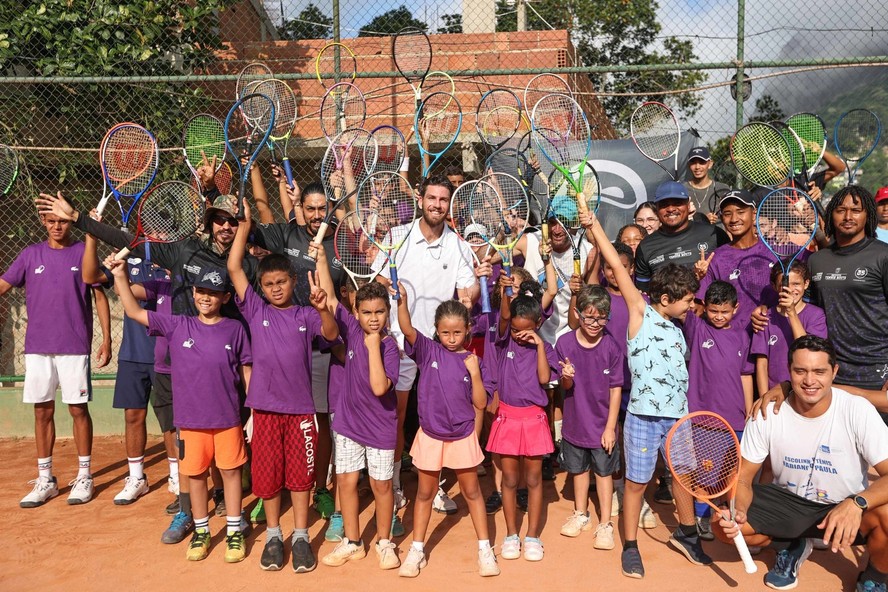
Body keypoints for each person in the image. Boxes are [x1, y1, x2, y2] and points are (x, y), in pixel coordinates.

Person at [37, 191, 259, 542]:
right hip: (179, 366)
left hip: (225, 368)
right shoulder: (183, 249)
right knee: (184, 444)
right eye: (220, 219)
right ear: (208, 220)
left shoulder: (247, 266)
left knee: (229, 447)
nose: (226, 226)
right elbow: (128, 241)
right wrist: (79, 219)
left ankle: (232, 511)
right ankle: (188, 512)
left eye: (234, 220)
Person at [583, 208, 711, 579]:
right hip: (641, 418)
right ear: (666, 298)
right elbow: (619, 268)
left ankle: (687, 535)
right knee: (636, 485)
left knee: (683, 478)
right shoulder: (640, 312)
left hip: (678, 419)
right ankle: (630, 545)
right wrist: (594, 228)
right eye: (687, 299)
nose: (692, 306)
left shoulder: (678, 326)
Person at [714, 336, 888, 591]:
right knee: (722, 526)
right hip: (788, 504)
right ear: (789, 371)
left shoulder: (857, 410)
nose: (809, 380)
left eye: (819, 371)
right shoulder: (766, 412)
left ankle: (876, 578)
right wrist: (737, 508)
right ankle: (789, 544)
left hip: (845, 505)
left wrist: (857, 502)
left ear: (834, 372)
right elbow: (742, 477)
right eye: (800, 371)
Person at [112, 260, 252, 563]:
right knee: (196, 475)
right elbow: (135, 311)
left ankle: (233, 531)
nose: (206, 297)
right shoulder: (178, 325)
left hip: (227, 419)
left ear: (225, 298)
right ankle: (201, 530)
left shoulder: (235, 329)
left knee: (229, 474)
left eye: (213, 293)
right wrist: (120, 275)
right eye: (201, 291)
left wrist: (251, 406)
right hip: (190, 422)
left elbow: (246, 369)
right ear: (192, 292)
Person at [228, 202, 339, 572]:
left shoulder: (307, 315)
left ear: (294, 281)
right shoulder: (255, 311)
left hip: (301, 413)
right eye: (269, 284)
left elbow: (332, 333)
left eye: (281, 282)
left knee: (301, 477)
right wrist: (244, 228)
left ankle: (302, 536)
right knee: (268, 477)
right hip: (265, 410)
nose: (276, 289)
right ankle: (274, 535)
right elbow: (233, 267)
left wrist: (323, 307)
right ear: (261, 288)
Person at [372, 175, 478, 521]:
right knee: (399, 417)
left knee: (439, 418)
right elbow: (378, 279)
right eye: (431, 198)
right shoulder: (397, 237)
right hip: (403, 344)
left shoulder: (458, 245)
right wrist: (391, 288)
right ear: (421, 199)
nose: (436, 205)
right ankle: (397, 483)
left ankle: (435, 488)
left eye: (443, 200)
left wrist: (468, 296)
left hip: (440, 350)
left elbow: (469, 289)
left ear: (450, 204)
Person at [249, 180, 346, 525]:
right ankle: (269, 492)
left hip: (320, 342)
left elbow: (346, 294)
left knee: (318, 422)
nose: (317, 215)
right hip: (282, 342)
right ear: (299, 209)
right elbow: (249, 235)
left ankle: (318, 487)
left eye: (323, 209)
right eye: (311, 209)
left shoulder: (340, 240)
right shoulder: (286, 236)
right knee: (272, 422)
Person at [0, 209, 111, 508]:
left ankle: (85, 475)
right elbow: (3, 285)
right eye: (51, 221)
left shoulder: (82, 252)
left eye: (62, 220)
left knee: (77, 410)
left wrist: (107, 339)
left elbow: (100, 295)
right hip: (38, 348)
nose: (57, 226)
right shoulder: (30, 254)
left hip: (74, 346)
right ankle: (45, 479)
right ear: (43, 223)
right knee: (42, 412)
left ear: (70, 222)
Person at [752, 187, 888, 413]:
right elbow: (801, 305)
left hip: (877, 370)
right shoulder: (817, 261)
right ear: (830, 214)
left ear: (868, 215)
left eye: (856, 210)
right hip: (830, 369)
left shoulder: (883, 255)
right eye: (841, 210)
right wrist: (764, 309)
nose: (847, 216)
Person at [396, 294, 500, 578]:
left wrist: (475, 373)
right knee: (425, 494)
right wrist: (402, 303)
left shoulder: (473, 360)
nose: (451, 338)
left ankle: (484, 549)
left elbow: (480, 404)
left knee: (472, 492)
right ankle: (417, 549)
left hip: (463, 435)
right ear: (436, 330)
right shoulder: (428, 351)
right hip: (431, 435)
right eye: (445, 332)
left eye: (457, 332)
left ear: (468, 329)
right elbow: (406, 328)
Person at [317, 273, 402, 571]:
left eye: (380, 312)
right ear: (355, 313)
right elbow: (328, 296)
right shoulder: (352, 330)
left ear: (388, 312)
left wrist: (373, 345)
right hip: (348, 425)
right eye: (366, 312)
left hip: (380, 428)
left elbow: (380, 387)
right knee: (347, 482)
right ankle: (353, 542)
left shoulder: (390, 347)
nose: (373, 318)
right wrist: (322, 258)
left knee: (381, 485)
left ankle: (383, 541)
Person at [81, 225, 164, 505]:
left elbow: (139, 292)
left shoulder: (172, 260)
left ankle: (178, 476)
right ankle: (137, 477)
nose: (155, 235)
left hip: (167, 353)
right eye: (151, 230)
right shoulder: (129, 259)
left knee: (172, 421)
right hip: (133, 354)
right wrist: (91, 238)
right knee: (132, 417)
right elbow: (90, 276)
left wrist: (120, 275)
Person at [489, 278, 560, 562]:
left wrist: (540, 346)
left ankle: (532, 536)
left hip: (533, 420)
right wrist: (506, 291)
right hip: (507, 417)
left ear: (538, 326)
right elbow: (505, 317)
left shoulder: (546, 350)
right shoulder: (503, 338)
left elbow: (544, 379)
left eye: (526, 330)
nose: (519, 335)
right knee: (508, 480)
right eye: (515, 330)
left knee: (533, 479)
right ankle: (510, 535)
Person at [681, 281, 754, 540]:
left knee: (728, 474)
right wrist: (697, 280)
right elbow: (687, 306)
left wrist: (748, 410)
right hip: (701, 417)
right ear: (705, 308)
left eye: (724, 311)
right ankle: (701, 514)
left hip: (734, 418)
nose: (719, 316)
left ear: (736, 308)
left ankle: (724, 513)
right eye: (713, 311)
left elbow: (746, 375)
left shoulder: (743, 336)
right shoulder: (697, 327)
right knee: (702, 471)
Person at [557, 285, 623, 550]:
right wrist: (566, 378)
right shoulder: (564, 343)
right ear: (577, 313)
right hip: (575, 423)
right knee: (579, 471)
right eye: (589, 317)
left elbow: (616, 389)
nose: (596, 323)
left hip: (602, 426)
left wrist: (610, 428)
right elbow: (565, 389)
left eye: (602, 317)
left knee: (604, 474)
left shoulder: (612, 347)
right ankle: (581, 513)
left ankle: (605, 523)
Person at [696, 189, 776, 332]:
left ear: (754, 214)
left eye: (740, 212)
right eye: (727, 214)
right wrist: (697, 278)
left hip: (771, 338)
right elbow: (701, 307)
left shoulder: (777, 250)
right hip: (733, 343)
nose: (734, 219)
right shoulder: (715, 259)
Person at [633, 181, 729, 293]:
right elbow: (643, 293)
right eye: (664, 204)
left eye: (677, 203)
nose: (671, 209)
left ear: (688, 205)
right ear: (657, 208)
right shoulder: (645, 246)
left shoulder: (713, 234)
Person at [751, 262, 827, 393]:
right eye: (784, 285)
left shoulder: (816, 315)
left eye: (796, 284)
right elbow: (762, 364)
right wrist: (764, 397)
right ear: (775, 287)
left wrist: (791, 313)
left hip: (805, 391)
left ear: (806, 284)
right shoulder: (764, 317)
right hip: (773, 394)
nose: (790, 290)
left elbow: (809, 351)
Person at [682, 147, 728, 225]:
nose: (697, 167)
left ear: (710, 164)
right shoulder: (681, 189)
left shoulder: (722, 189)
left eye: (702, 162)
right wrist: (703, 220)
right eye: (693, 162)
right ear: (689, 165)